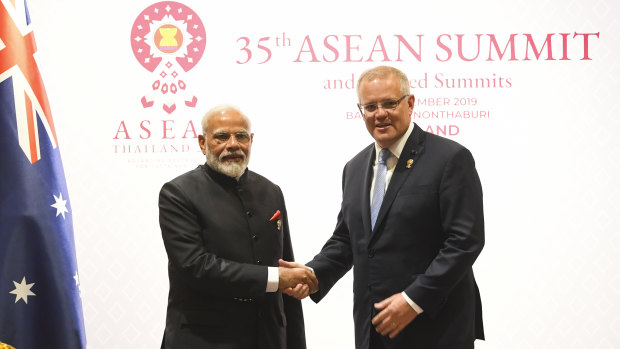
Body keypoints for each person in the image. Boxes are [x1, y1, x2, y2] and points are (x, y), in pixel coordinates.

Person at [282, 66, 485, 348]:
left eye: (390, 103)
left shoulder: (450, 158)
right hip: (374, 327)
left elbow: (464, 242)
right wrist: (314, 274)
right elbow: (347, 239)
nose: (380, 113)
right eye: (370, 106)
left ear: (410, 103)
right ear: (360, 110)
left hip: (436, 326)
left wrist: (414, 300)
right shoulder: (353, 168)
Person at [159, 105, 316, 349]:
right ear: (202, 143)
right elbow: (195, 267)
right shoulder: (178, 193)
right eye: (222, 136)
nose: (233, 144)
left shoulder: (271, 191)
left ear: (251, 140)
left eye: (241, 136)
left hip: (269, 338)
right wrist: (274, 277)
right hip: (205, 341)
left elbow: (285, 266)